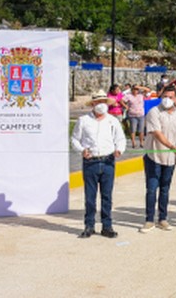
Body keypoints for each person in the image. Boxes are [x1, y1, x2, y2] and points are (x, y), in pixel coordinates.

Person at [71, 90, 126, 239]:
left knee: (107, 196)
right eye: (98, 102)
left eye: (103, 102)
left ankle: (107, 226)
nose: (101, 105)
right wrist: (82, 150)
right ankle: (89, 225)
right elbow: (75, 139)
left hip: (108, 161)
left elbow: (120, 139)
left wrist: (119, 150)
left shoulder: (112, 121)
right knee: (90, 196)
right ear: (93, 104)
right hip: (91, 161)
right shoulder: (83, 120)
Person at [140, 86, 176, 233]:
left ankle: (162, 219)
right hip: (154, 156)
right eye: (165, 96)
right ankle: (149, 220)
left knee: (165, 189)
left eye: (171, 97)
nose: (167, 99)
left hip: (170, 158)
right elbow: (157, 133)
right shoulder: (154, 112)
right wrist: (171, 146)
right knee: (152, 189)